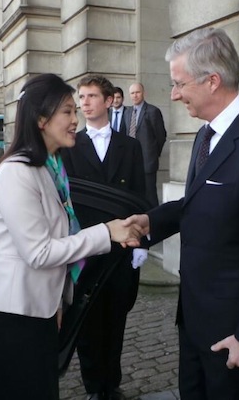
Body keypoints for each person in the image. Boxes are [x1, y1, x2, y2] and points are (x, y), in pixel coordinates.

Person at [124, 27, 239, 399]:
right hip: (193, 319)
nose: (173, 94)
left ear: (212, 81)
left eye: (179, 84)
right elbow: (200, 204)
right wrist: (152, 221)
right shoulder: (206, 136)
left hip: (233, 331)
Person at [0, 73, 143, 400]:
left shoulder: (51, 167)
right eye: (67, 112)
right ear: (41, 119)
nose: (75, 120)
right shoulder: (17, 172)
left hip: (39, 307)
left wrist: (59, 300)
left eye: (75, 111)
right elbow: (39, 252)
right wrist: (106, 232)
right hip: (12, 313)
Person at [60, 75, 147, 400]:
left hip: (123, 251)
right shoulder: (70, 147)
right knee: (87, 324)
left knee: (116, 320)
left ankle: (112, 384)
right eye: (81, 96)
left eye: (92, 96)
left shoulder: (131, 146)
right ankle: (95, 388)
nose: (84, 102)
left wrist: (144, 244)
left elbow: (141, 196)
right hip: (87, 250)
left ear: (109, 100)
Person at [124, 82, 166, 206]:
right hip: (131, 160)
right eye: (132, 93)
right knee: (134, 193)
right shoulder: (127, 112)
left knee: (150, 194)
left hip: (148, 161)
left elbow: (161, 136)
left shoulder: (153, 111)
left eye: (137, 92)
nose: (135, 95)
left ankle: (154, 220)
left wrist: (153, 153)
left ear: (143, 93)